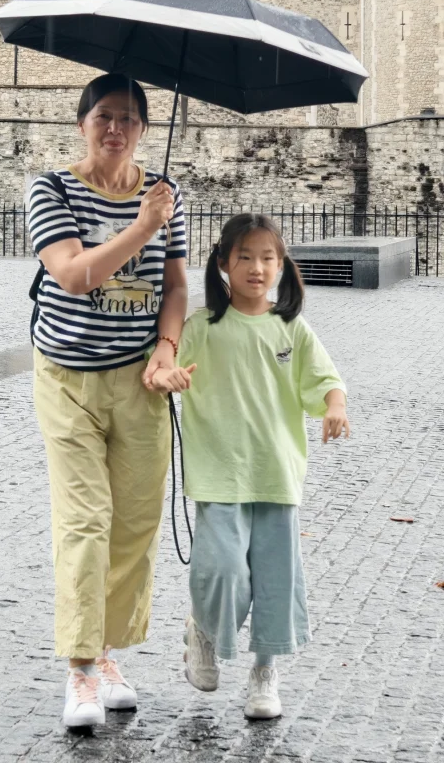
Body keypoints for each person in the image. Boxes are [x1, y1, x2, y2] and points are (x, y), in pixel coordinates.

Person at [26, 72, 189, 729]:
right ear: (82, 125)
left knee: (135, 524)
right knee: (85, 523)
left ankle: (108, 652)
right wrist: (143, 226)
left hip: (138, 380)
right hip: (67, 378)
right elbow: (70, 274)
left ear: (144, 128)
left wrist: (167, 349)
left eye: (127, 118)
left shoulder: (167, 194)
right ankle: (81, 670)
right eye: (103, 117)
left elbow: (176, 288)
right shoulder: (52, 188)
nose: (115, 129)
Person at [148, 213, 349, 720]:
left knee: (276, 578)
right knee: (221, 570)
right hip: (218, 472)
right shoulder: (199, 329)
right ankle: (204, 631)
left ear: (281, 265)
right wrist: (165, 376)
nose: (256, 268)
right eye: (244, 257)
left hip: (277, 474)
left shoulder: (291, 328)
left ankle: (264, 670)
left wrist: (334, 406)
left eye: (267, 258)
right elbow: (161, 369)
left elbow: (325, 378)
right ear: (222, 264)